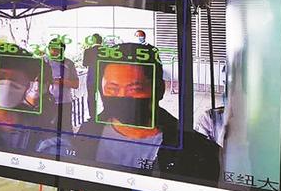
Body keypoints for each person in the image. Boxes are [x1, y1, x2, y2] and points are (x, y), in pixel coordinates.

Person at [72, 43, 220, 182]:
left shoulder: (194, 149)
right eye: (112, 89)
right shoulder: (88, 133)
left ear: (159, 89)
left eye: (134, 89)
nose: (122, 96)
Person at [45, 37, 79, 131]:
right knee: (48, 130)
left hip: (65, 103)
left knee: (66, 130)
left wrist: (59, 81)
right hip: (46, 102)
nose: (54, 51)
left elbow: (76, 84)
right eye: (52, 48)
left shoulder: (69, 63)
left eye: (57, 49)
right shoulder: (43, 61)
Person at [82, 33, 103, 121]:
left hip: (92, 76)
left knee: (91, 96)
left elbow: (84, 64)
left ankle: (93, 117)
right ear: (101, 41)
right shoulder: (106, 51)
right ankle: (107, 115)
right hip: (103, 77)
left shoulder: (88, 51)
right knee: (105, 96)